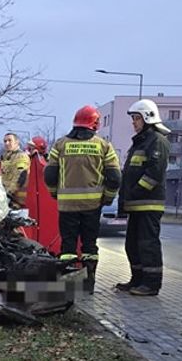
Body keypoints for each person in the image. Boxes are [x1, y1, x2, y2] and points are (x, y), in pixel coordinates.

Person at [43, 105, 121, 294]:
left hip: (67, 206)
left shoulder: (60, 145)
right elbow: (115, 177)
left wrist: (55, 193)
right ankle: (88, 284)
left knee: (68, 246)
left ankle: (68, 286)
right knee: (89, 245)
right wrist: (108, 198)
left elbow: (50, 174)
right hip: (93, 205)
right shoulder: (103, 146)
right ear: (95, 124)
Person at [116, 99, 170, 296]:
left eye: (137, 118)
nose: (134, 122)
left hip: (149, 205)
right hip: (136, 205)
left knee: (148, 245)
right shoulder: (140, 141)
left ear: (147, 118)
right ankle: (137, 280)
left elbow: (153, 174)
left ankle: (151, 284)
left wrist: (134, 192)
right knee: (133, 245)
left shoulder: (157, 141)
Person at [0, 133, 30, 209]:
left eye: (10, 140)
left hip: (16, 200)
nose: (7, 143)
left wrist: (8, 193)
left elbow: (20, 176)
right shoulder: (6, 158)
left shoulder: (21, 156)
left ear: (16, 142)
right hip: (5, 198)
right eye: (5, 141)